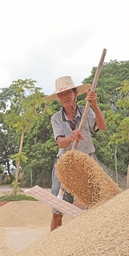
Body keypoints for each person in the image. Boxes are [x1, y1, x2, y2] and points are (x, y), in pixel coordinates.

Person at [44, 76, 106, 231]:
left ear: (75, 94)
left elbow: (102, 127)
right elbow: (60, 142)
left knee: (98, 203)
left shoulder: (87, 111)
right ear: (58, 98)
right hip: (65, 163)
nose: (65, 97)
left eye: (67, 93)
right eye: (61, 95)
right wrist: (71, 137)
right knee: (58, 210)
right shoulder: (56, 118)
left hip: (87, 159)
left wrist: (95, 105)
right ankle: (53, 243)